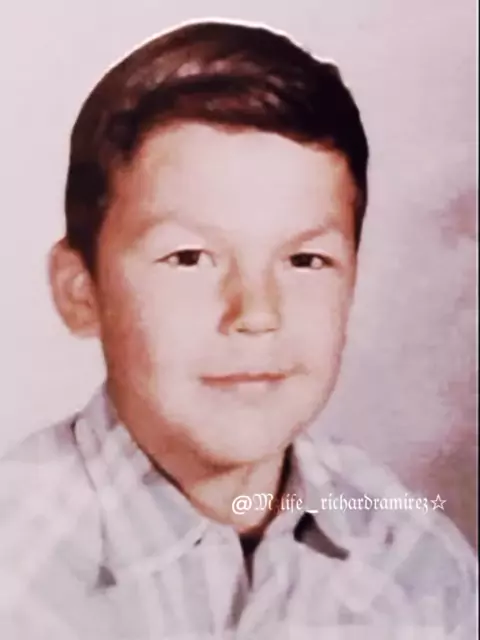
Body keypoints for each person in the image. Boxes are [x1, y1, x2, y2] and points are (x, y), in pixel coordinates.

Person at [0, 19, 476, 639]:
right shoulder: (19, 571)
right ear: (80, 291)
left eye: (305, 260)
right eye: (190, 258)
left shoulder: (415, 560)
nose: (256, 312)